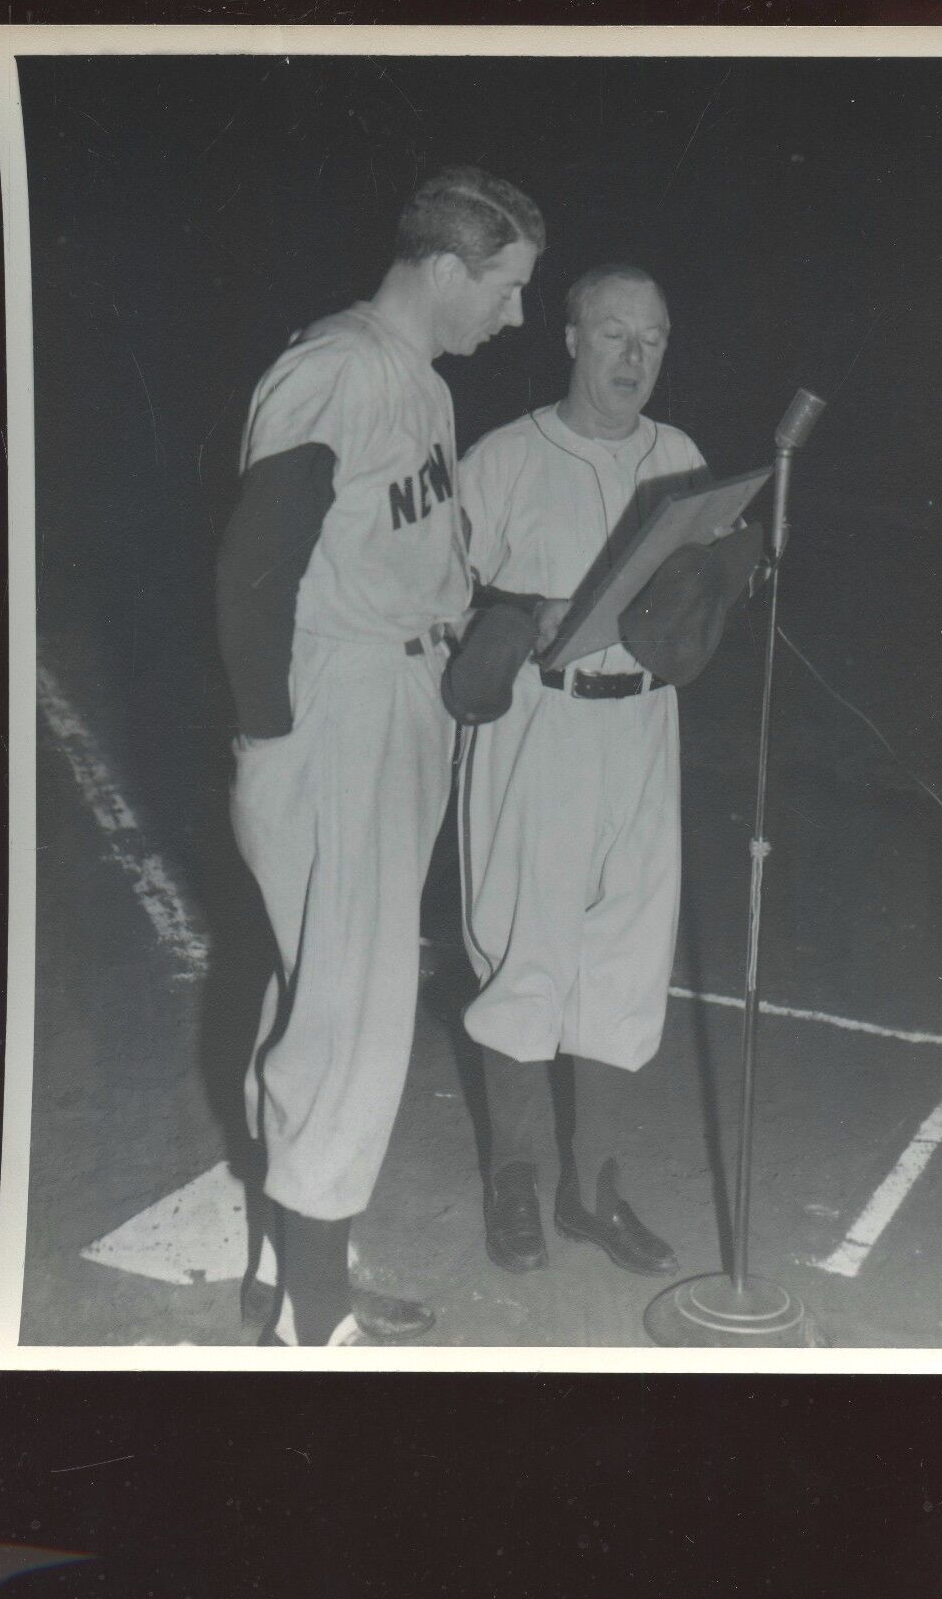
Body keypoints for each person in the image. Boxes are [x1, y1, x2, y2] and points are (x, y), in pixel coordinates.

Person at [216, 168, 544, 1345]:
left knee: (321, 991)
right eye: (505, 289)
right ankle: (315, 1325)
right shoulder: (337, 368)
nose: (511, 318)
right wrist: (270, 744)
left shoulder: (418, 383)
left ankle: (285, 1268)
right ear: (448, 268)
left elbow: (402, 549)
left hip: (392, 697)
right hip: (338, 707)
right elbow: (255, 572)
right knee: (353, 1015)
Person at [457, 264, 709, 1278]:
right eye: (613, 336)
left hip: (645, 728)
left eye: (652, 339)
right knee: (524, 954)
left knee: (627, 959)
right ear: (569, 338)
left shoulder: (681, 455)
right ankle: (514, 1178)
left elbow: (699, 592)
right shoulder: (504, 458)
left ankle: (594, 1188)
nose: (634, 359)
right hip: (538, 731)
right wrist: (521, 615)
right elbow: (437, 597)